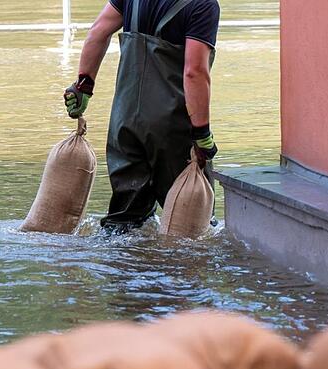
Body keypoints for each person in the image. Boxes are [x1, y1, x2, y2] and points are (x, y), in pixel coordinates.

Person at [64, 0, 220, 231]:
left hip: (124, 124)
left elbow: (98, 31)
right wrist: (201, 133)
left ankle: (117, 263)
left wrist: (84, 85)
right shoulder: (203, 5)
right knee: (192, 223)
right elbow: (194, 72)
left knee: (124, 223)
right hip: (172, 129)